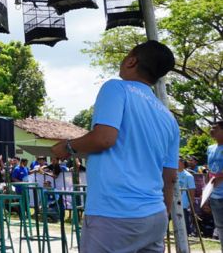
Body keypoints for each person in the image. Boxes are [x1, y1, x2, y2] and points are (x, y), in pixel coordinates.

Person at [52, 40, 178, 253]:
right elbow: (170, 175)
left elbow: (104, 138)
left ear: (131, 61)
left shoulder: (116, 88)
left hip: (115, 214)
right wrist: (164, 214)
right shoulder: (168, 117)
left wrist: (67, 146)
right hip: (154, 215)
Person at [206, 120, 223, 249]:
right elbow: (210, 171)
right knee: (220, 227)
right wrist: (206, 194)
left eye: (215, 128)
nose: (212, 130)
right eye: (211, 127)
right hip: (215, 196)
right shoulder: (210, 149)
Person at [178, 156, 196, 236]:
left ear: (182, 163)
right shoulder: (172, 174)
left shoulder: (188, 176)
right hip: (171, 202)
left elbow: (192, 191)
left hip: (183, 204)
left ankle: (186, 235)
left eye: (177, 161)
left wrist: (191, 203)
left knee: (184, 224)